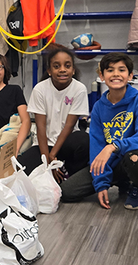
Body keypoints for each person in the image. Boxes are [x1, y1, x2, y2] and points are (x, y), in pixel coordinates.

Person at [60, 53, 138, 210]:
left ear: (130, 75)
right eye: (110, 70)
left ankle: (136, 185)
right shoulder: (98, 107)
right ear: (102, 76)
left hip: (130, 158)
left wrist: (112, 147)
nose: (116, 74)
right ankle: (118, 181)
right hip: (108, 162)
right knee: (67, 193)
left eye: (121, 70)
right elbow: (96, 145)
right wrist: (101, 183)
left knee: (137, 158)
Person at [17, 45, 89, 181]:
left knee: (84, 140)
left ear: (73, 70)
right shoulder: (40, 89)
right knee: (20, 170)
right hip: (43, 146)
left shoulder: (79, 89)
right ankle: (52, 174)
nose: (62, 69)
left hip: (66, 144)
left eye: (67, 66)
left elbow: (69, 126)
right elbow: (41, 127)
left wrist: (54, 155)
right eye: (56, 66)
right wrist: (47, 161)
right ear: (49, 71)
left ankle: (71, 175)